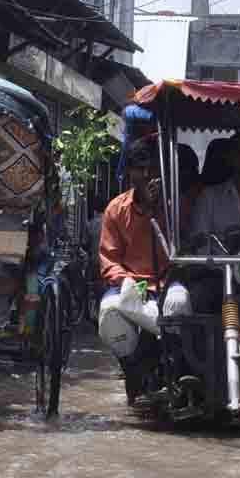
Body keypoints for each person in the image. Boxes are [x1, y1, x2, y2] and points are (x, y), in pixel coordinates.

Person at [97, 135, 168, 358]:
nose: (146, 175)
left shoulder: (174, 207)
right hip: (127, 284)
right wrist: (127, 282)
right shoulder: (116, 209)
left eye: (151, 169)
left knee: (180, 308)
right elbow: (109, 259)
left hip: (166, 283)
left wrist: (154, 208)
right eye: (140, 169)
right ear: (130, 172)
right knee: (110, 313)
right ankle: (130, 368)